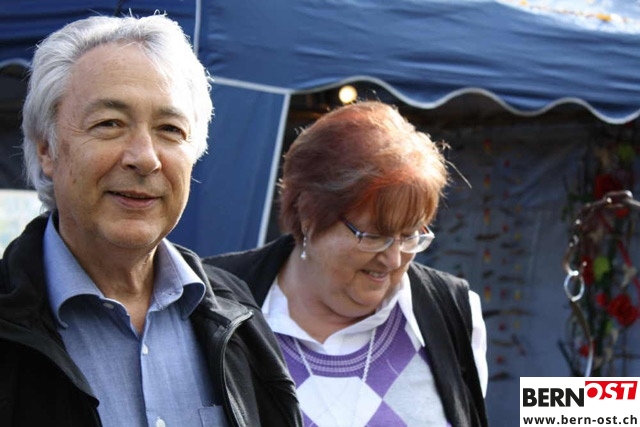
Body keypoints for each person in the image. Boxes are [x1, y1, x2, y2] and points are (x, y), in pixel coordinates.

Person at [0, 14, 302, 427]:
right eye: (109, 124)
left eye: (170, 129)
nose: (145, 158)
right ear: (46, 149)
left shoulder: (237, 314)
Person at [204, 101, 489, 427]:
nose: (394, 259)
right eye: (374, 235)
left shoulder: (452, 314)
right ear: (309, 215)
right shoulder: (212, 303)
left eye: (410, 235)